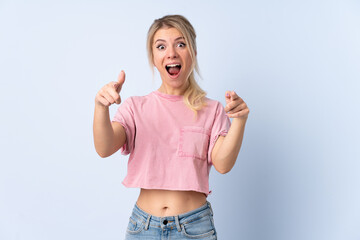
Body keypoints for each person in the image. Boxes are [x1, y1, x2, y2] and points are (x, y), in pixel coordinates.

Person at [93, 14, 249, 239]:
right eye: (161, 46)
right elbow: (104, 148)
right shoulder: (136, 107)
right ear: (154, 58)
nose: (171, 53)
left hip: (194, 227)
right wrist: (100, 107)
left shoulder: (212, 110)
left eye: (181, 44)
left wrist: (240, 121)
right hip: (142, 228)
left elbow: (223, 164)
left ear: (193, 53)